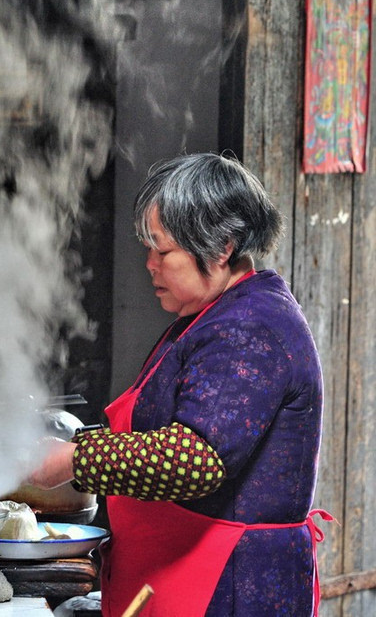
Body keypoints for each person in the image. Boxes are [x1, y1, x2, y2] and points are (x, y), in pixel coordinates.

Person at [29, 152, 329, 617]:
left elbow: (196, 459)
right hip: (180, 578)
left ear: (222, 246)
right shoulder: (210, 314)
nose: (149, 264)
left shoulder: (250, 327)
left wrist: (73, 459)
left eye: (162, 250)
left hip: (230, 587)